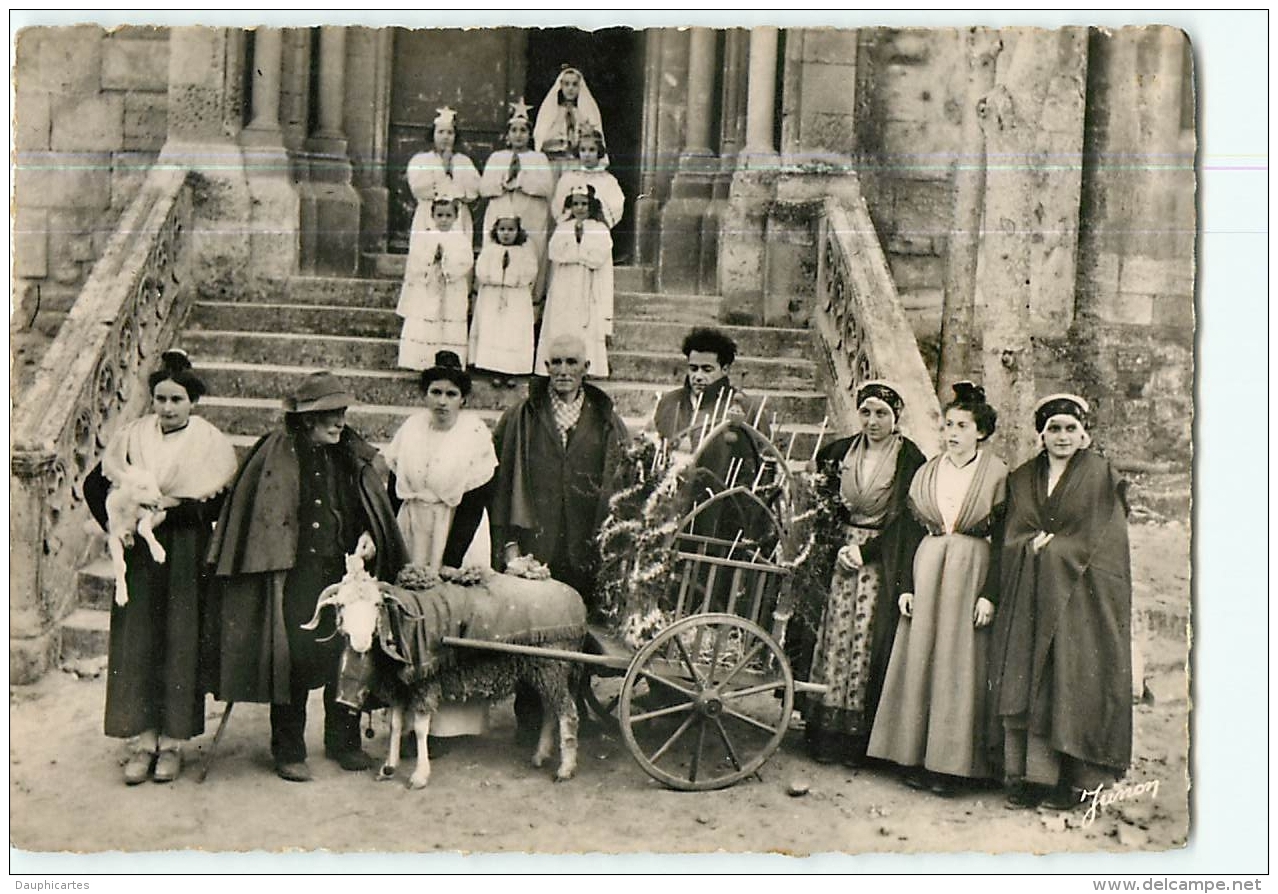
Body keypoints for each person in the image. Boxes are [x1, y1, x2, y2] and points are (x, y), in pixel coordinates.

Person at [205, 371, 406, 782]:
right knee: (292, 661)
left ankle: (344, 742)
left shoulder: (352, 454)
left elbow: (373, 508)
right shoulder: (277, 454)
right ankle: (288, 749)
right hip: (295, 575)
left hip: (347, 573)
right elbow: (256, 513)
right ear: (307, 419)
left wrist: (370, 535)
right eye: (329, 414)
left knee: (349, 655)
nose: (339, 422)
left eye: (342, 413)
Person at [93, 350, 237, 785]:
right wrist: (117, 525)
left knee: (179, 640)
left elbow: (213, 504)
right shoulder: (133, 438)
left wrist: (169, 513)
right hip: (139, 552)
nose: (168, 408)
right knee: (138, 639)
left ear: (193, 401)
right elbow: (97, 483)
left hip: (184, 553)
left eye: (177, 399)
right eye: (160, 399)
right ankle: (141, 740)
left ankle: (172, 744)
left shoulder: (210, 444)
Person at [987, 394, 1133, 811]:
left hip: (1078, 603)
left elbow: (1108, 542)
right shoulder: (1023, 478)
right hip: (1031, 597)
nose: (1063, 436)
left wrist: (1057, 553)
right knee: (1026, 680)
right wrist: (1029, 546)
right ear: (1041, 434)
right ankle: (1028, 778)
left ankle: (1072, 784)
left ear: (1084, 433)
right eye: (1054, 429)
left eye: (1071, 428)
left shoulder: (1100, 476)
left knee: (1070, 683)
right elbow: (1011, 533)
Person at [867, 381, 1008, 797]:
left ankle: (954, 765)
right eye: (948, 425)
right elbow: (912, 532)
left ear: (980, 431)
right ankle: (911, 754)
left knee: (959, 662)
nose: (953, 434)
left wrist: (990, 594)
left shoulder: (997, 474)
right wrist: (906, 586)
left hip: (971, 569)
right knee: (921, 656)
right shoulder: (928, 470)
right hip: (928, 567)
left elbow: (1003, 540)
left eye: (963, 426)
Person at [491, 333, 630, 740]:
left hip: (584, 543)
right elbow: (502, 481)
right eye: (555, 363)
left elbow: (621, 479)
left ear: (587, 368)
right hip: (538, 542)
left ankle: (574, 709)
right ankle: (529, 717)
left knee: (579, 631)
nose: (563, 371)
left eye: (572, 363)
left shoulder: (604, 418)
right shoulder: (523, 416)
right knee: (533, 633)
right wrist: (510, 544)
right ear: (545, 366)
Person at [802, 381, 927, 768]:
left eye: (882, 414)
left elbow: (906, 519)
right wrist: (838, 544)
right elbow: (822, 504)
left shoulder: (910, 460)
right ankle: (823, 732)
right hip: (841, 554)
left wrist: (867, 550)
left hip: (881, 557)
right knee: (834, 636)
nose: (873, 421)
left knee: (866, 639)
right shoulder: (838, 452)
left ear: (896, 417)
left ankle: (859, 741)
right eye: (866, 412)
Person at [384, 351, 499, 740]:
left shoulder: (474, 433)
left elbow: (476, 499)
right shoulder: (411, 429)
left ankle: (450, 725)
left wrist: (451, 560)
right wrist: (389, 539)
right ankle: (409, 712)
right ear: (424, 394)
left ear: (463, 398)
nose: (442, 401)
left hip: (455, 532)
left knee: (451, 618)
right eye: (435, 392)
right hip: (414, 527)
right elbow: (393, 489)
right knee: (411, 616)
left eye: (451, 393)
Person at [535, 184, 613, 378]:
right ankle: (557, 364)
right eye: (576, 204)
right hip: (565, 283)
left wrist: (580, 248)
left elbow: (598, 256)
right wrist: (575, 248)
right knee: (562, 319)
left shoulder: (599, 228)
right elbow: (555, 252)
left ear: (592, 206)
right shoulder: (564, 227)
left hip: (587, 282)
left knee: (584, 322)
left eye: (584, 204)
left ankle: (586, 366)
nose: (580, 208)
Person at [480, 99, 554, 301]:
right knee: (496, 258)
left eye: (523, 130)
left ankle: (529, 308)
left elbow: (547, 187)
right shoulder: (497, 158)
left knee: (528, 258)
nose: (518, 135)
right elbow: (484, 188)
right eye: (514, 130)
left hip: (529, 215)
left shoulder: (539, 159)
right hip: (501, 212)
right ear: (507, 135)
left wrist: (522, 181)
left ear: (529, 134)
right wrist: (503, 181)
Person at [396, 187, 474, 370]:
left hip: (451, 289)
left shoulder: (460, 239)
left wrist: (447, 263)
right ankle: (422, 361)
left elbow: (465, 262)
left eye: (448, 215)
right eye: (440, 215)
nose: (444, 220)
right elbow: (415, 262)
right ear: (433, 216)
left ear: (455, 217)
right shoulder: (425, 238)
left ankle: (448, 362)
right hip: (429, 287)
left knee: (447, 323)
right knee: (427, 321)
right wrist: (432, 260)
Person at [468, 196, 539, 386]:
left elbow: (531, 271)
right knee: (493, 330)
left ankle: (512, 370)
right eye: (502, 229)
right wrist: (496, 277)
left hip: (515, 297)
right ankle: (494, 369)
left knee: (512, 332)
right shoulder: (490, 250)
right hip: (493, 295)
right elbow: (481, 271)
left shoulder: (525, 251)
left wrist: (513, 279)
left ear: (518, 231)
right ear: (495, 231)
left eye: (511, 229)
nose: (506, 234)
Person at [404, 106, 482, 238]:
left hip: (456, 217)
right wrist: (443, 170)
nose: (445, 137)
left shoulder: (463, 161)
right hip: (428, 216)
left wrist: (454, 184)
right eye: (440, 132)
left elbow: (473, 191)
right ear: (433, 135)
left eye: (450, 133)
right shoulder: (421, 160)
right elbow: (419, 189)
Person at [533, 66, 604, 178]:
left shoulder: (585, 113)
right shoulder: (551, 112)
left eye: (574, 84)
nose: (570, 88)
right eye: (566, 84)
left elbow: (595, 141)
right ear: (561, 86)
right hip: (553, 163)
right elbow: (540, 139)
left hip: (576, 164)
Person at [550, 127, 625, 231]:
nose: (587, 154)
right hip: (570, 229)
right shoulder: (568, 178)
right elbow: (558, 204)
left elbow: (616, 206)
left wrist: (600, 224)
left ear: (599, 152)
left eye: (592, 150)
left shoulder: (608, 180)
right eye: (583, 150)